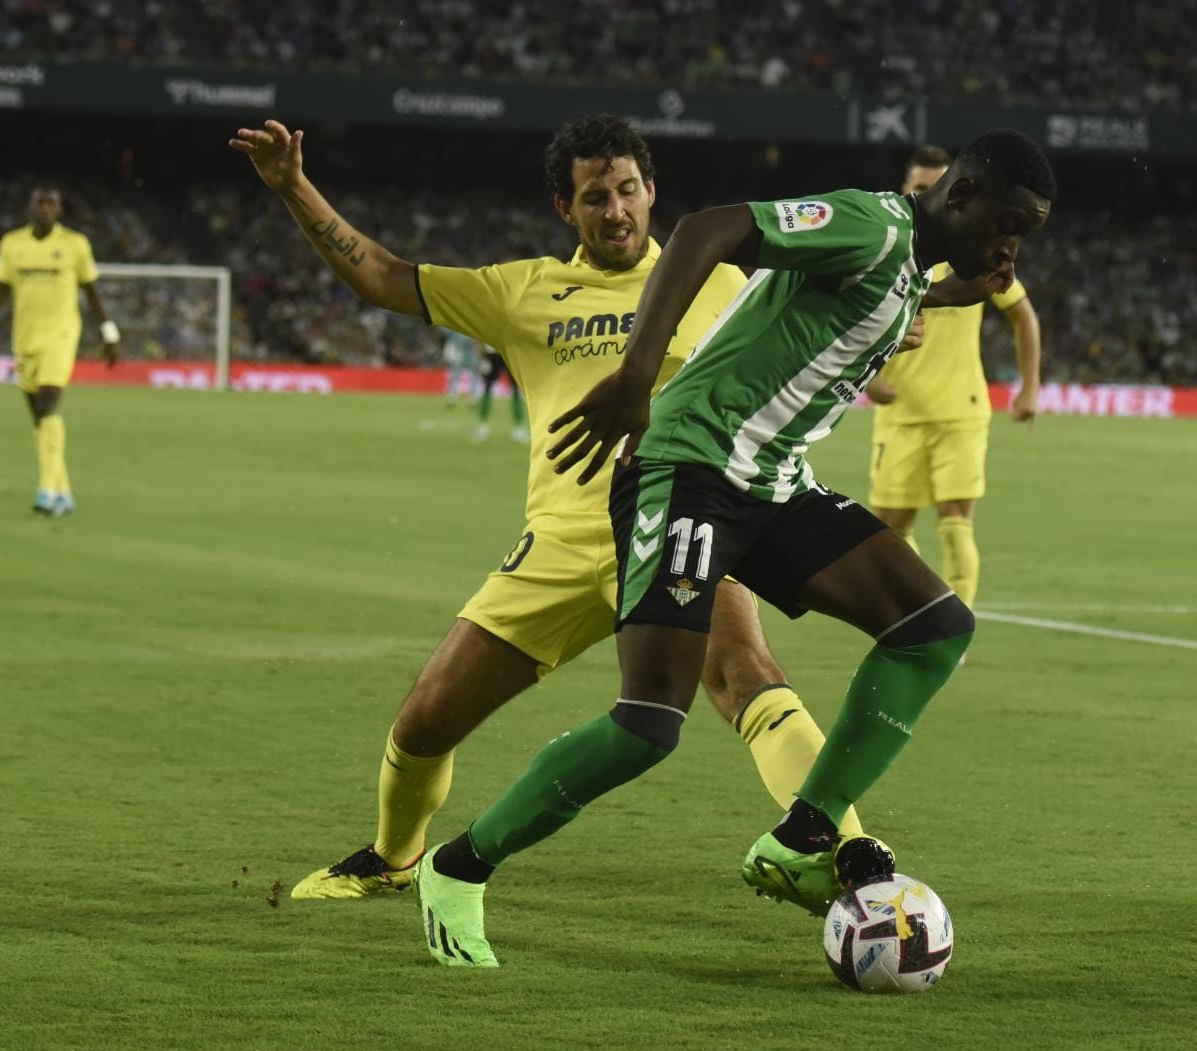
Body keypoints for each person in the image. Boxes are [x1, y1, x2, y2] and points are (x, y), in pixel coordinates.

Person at [414, 129, 1056, 967]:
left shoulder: (905, 270)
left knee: (934, 624)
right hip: (685, 468)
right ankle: (457, 867)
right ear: (962, 195)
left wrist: (950, 293)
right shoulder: (870, 224)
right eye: (1007, 224)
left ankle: (804, 832)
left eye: (1025, 236)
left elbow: (867, 299)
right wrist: (638, 374)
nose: (1012, 247)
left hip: (768, 483)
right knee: (649, 721)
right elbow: (704, 230)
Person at [229, 114, 873, 907]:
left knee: (745, 674)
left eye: (628, 190)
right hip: (562, 542)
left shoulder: (720, 282)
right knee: (424, 722)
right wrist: (294, 187)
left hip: (683, 521)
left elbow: (813, 330)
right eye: (595, 196)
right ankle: (395, 856)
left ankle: (852, 850)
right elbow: (388, 279)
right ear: (565, 209)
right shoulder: (524, 291)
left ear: (652, 191)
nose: (616, 210)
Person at [867, 146, 1043, 609]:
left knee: (955, 520)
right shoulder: (888, 253)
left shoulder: (973, 252)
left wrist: (1030, 386)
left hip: (959, 410)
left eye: (935, 186)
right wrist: (867, 380)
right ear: (905, 190)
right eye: (919, 187)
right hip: (900, 412)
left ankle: (955, 626)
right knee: (890, 528)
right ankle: (921, 615)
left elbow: (1024, 316)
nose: (927, 194)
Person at [0, 187, 120, 516]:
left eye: (51, 203)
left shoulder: (74, 245)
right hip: (25, 338)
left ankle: (45, 489)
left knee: (48, 402)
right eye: (39, 203)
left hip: (62, 334)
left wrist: (109, 332)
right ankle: (63, 491)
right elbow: (2, 287)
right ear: (29, 207)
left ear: (59, 209)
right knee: (40, 416)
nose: (44, 209)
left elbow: (91, 291)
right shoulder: (12, 244)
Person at [473, 345, 528, 444]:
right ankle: (482, 426)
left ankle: (519, 428)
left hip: (509, 350)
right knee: (487, 388)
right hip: (491, 352)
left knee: (515, 389)